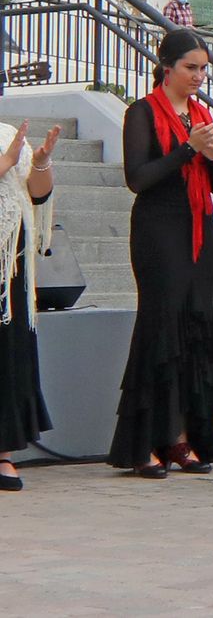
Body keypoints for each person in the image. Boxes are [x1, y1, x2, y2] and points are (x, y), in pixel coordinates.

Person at [109, 28, 213, 477]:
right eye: (191, 68)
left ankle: (180, 439)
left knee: (195, 331)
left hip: (200, 231)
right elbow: (138, 177)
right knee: (160, 329)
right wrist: (187, 149)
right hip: (159, 231)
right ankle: (143, 443)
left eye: (203, 69)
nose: (199, 76)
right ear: (167, 68)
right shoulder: (141, 112)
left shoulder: (200, 114)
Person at [0, 118, 60, 491]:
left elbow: (37, 195)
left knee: (8, 354)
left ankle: (3, 451)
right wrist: (5, 162)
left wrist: (40, 161)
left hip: (11, 265)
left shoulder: (8, 133)